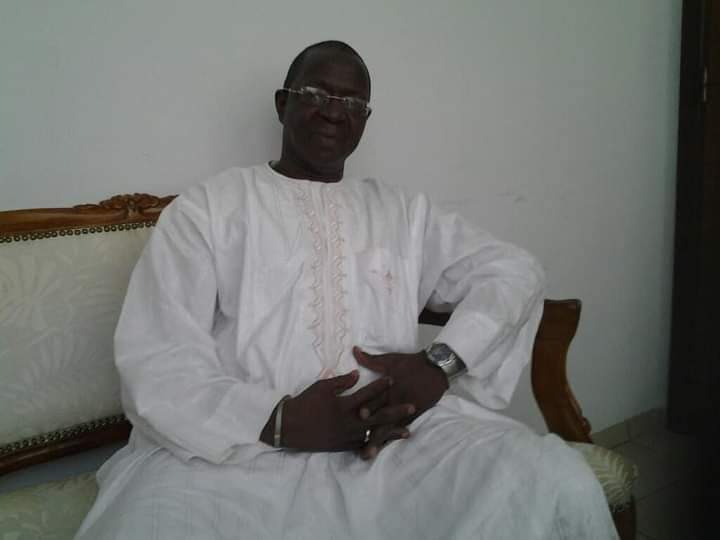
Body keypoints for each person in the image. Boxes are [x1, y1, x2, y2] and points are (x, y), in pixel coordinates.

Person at [74, 40, 618, 539]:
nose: (334, 111)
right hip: (238, 450)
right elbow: (159, 355)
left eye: (353, 103)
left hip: (394, 440)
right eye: (316, 94)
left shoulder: (402, 211)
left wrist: (440, 365)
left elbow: (514, 270)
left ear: (365, 120)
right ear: (282, 104)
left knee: (555, 481)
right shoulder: (210, 208)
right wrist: (279, 420)